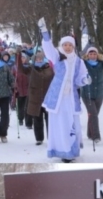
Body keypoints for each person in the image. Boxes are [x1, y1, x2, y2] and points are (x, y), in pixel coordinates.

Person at [37, 18, 90, 162]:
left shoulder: (79, 61)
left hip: (71, 97)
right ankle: (61, 150)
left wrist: (85, 80)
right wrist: (44, 32)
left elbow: (80, 77)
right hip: (57, 97)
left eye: (70, 45)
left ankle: (71, 149)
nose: (67, 47)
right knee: (59, 124)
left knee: (71, 123)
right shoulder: (57, 57)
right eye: (65, 45)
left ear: (73, 47)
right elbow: (48, 47)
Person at [20, 49, 54, 145]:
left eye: (40, 58)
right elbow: (20, 69)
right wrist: (18, 56)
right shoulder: (31, 69)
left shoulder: (49, 69)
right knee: (37, 119)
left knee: (49, 119)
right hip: (35, 98)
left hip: (48, 97)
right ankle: (39, 138)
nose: (38, 60)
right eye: (37, 59)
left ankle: (51, 138)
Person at [81, 47, 103, 144]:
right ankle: (96, 136)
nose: (92, 56)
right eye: (90, 54)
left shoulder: (101, 64)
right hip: (87, 93)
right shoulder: (83, 64)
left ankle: (90, 133)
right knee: (93, 114)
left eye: (94, 54)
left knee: (94, 114)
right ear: (87, 55)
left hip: (99, 94)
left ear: (97, 55)